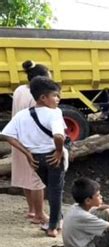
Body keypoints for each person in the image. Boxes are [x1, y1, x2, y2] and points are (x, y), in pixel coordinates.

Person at [1, 76, 66, 237]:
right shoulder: (55, 113)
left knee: (51, 188)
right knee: (56, 191)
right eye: (55, 95)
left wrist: (27, 153)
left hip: (35, 159)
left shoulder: (23, 114)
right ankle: (53, 227)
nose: (58, 99)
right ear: (43, 98)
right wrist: (58, 151)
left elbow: (7, 135)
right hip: (53, 157)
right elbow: (59, 136)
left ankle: (58, 218)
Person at [10, 60, 51, 225]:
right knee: (37, 179)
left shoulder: (20, 89)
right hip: (32, 141)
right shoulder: (37, 97)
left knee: (25, 175)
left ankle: (32, 210)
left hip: (18, 138)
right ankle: (40, 214)